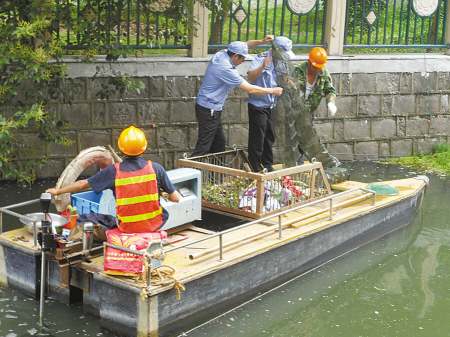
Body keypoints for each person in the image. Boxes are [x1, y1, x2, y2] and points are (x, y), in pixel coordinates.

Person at [46, 126, 181, 233]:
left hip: (126, 227)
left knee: (91, 219)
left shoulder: (113, 171)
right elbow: (176, 198)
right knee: (163, 213)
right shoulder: (156, 169)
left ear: (121, 151)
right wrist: (161, 193)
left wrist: (58, 191)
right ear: (144, 149)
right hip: (153, 225)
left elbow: (82, 185)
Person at [191, 36, 284, 157]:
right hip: (209, 110)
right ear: (235, 56)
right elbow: (250, 89)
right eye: (243, 58)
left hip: (211, 109)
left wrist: (261, 41)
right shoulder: (226, 69)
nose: (243, 61)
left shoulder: (223, 53)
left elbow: (245, 45)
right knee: (203, 147)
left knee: (219, 145)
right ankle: (189, 173)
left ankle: (216, 175)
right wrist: (272, 90)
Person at [246, 36, 295, 172]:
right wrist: (263, 67)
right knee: (258, 137)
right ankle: (255, 167)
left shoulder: (281, 61)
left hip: (271, 105)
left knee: (269, 136)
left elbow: (282, 75)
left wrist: (289, 83)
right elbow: (250, 76)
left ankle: (267, 164)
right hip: (258, 105)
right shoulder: (261, 58)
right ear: (274, 50)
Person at [293, 47, 337, 163]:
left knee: (305, 138)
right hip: (293, 111)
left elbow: (330, 91)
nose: (316, 69)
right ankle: (294, 165)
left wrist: (331, 103)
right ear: (309, 61)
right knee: (292, 139)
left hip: (309, 112)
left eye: (319, 67)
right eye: (314, 66)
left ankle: (300, 163)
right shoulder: (296, 70)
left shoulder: (324, 74)